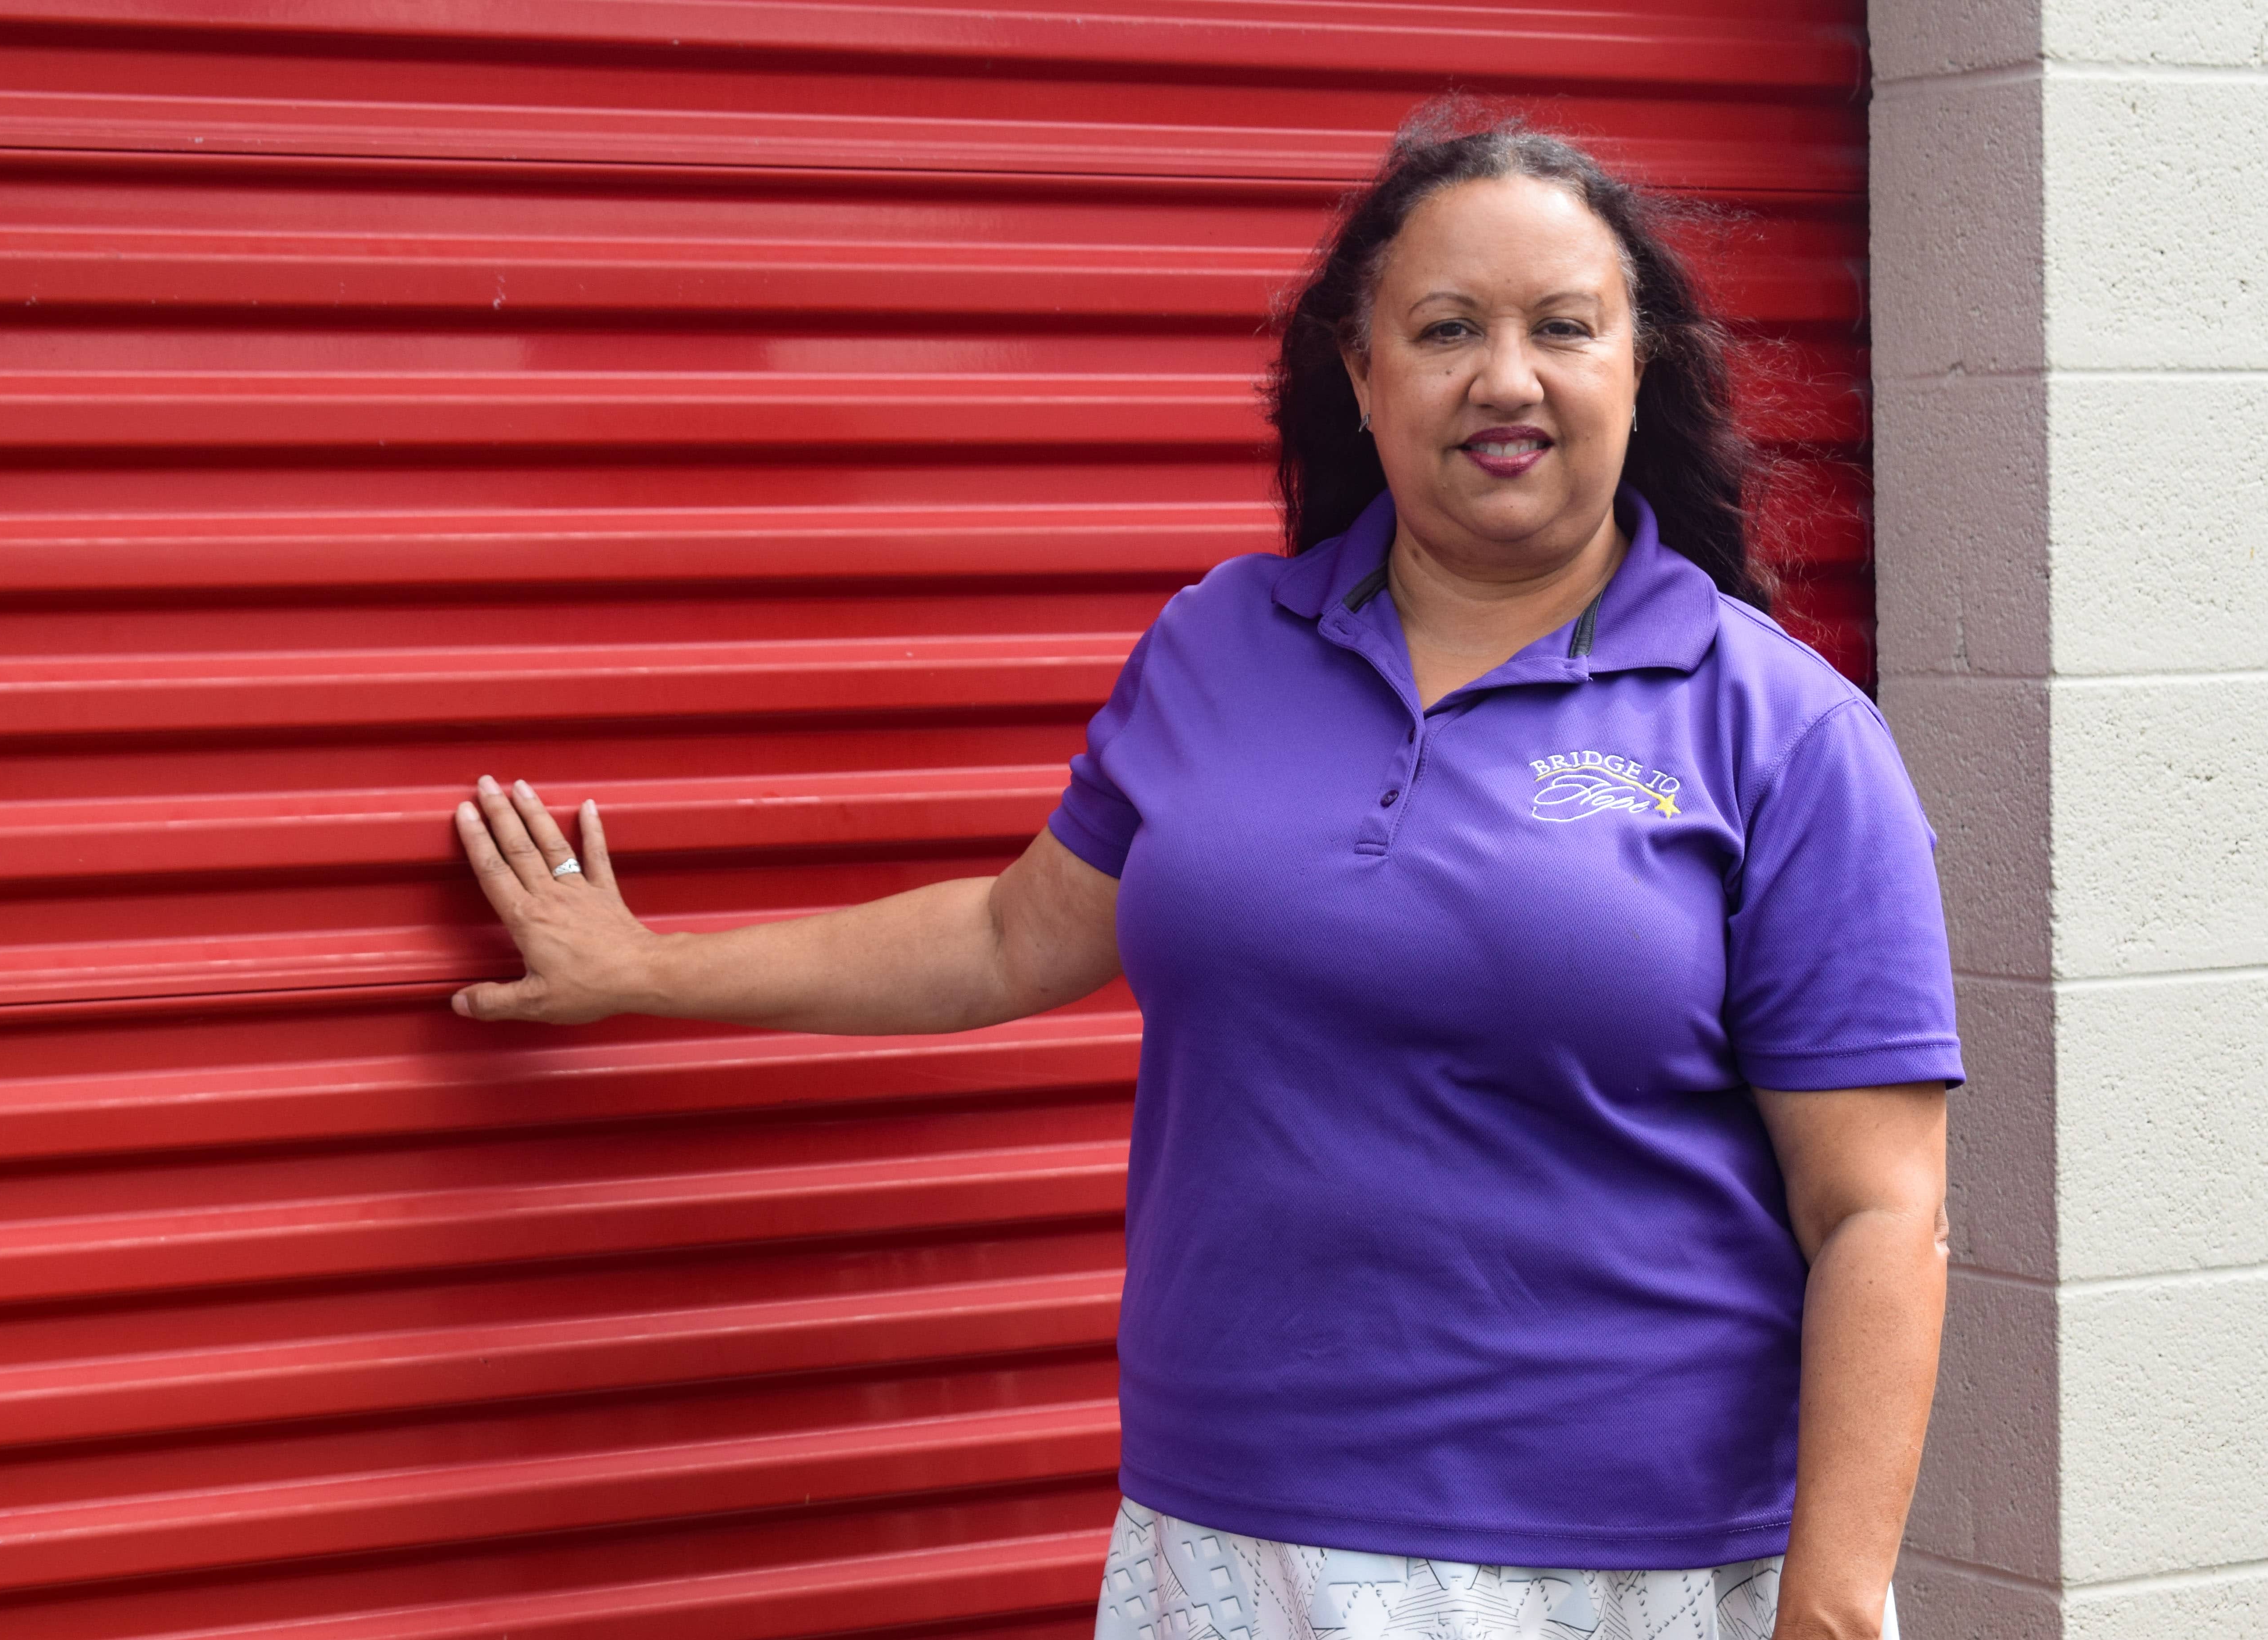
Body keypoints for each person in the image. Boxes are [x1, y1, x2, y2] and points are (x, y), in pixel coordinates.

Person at [449, 117, 1958, 1640]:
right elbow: (1007, 937)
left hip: (1623, 1562)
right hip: (1229, 1538)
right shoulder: (1221, 644)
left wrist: (1830, 1611)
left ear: (1640, 369)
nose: (1505, 377)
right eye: (1445, 329)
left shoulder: (1776, 727)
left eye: (1563, 327)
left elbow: (1878, 1210)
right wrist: (642, 964)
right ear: (1360, 373)